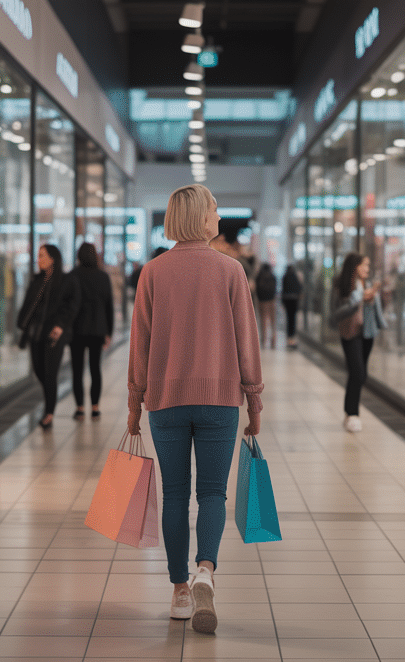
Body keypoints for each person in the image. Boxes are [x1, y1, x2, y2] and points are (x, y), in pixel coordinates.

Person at [128, 184, 263, 634]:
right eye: (214, 209)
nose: (219, 215)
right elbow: (247, 341)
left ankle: (180, 590)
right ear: (201, 218)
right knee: (212, 493)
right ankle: (206, 569)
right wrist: (255, 401)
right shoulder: (231, 270)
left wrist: (134, 402)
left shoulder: (152, 272)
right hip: (220, 398)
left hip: (165, 401)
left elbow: (140, 343)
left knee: (174, 494)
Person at [17, 244, 80, 430]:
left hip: (54, 333)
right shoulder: (38, 280)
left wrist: (60, 325)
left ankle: (49, 413)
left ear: (53, 258)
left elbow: (72, 305)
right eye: (38, 255)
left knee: (50, 373)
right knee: (39, 370)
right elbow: (29, 304)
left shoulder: (67, 280)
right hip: (36, 332)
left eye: (42, 255)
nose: (39, 259)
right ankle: (50, 399)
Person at [331, 252, 386, 433]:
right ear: (355, 266)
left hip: (367, 333)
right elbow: (336, 313)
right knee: (358, 372)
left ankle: (350, 413)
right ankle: (352, 413)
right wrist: (360, 298)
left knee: (359, 374)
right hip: (350, 333)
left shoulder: (367, 285)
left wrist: (372, 298)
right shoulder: (342, 286)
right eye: (365, 265)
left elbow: (373, 310)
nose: (367, 269)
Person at [69, 242, 113, 419]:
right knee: (95, 369)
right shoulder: (103, 276)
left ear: (79, 255)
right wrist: (109, 332)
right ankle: (95, 408)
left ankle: (79, 408)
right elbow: (109, 306)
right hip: (97, 328)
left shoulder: (73, 275)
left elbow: (68, 304)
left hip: (77, 329)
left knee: (77, 370)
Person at [254, 262, 277, 349]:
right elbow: (275, 289)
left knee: (263, 321)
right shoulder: (273, 276)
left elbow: (256, 289)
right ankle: (273, 339)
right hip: (271, 301)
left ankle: (263, 340)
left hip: (262, 301)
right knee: (272, 321)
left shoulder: (259, 276)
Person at [281, 263, 303, 349]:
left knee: (288, 319)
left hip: (287, 300)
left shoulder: (285, 276)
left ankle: (289, 338)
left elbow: (283, 289)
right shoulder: (295, 276)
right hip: (294, 301)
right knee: (293, 320)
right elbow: (299, 288)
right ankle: (292, 338)